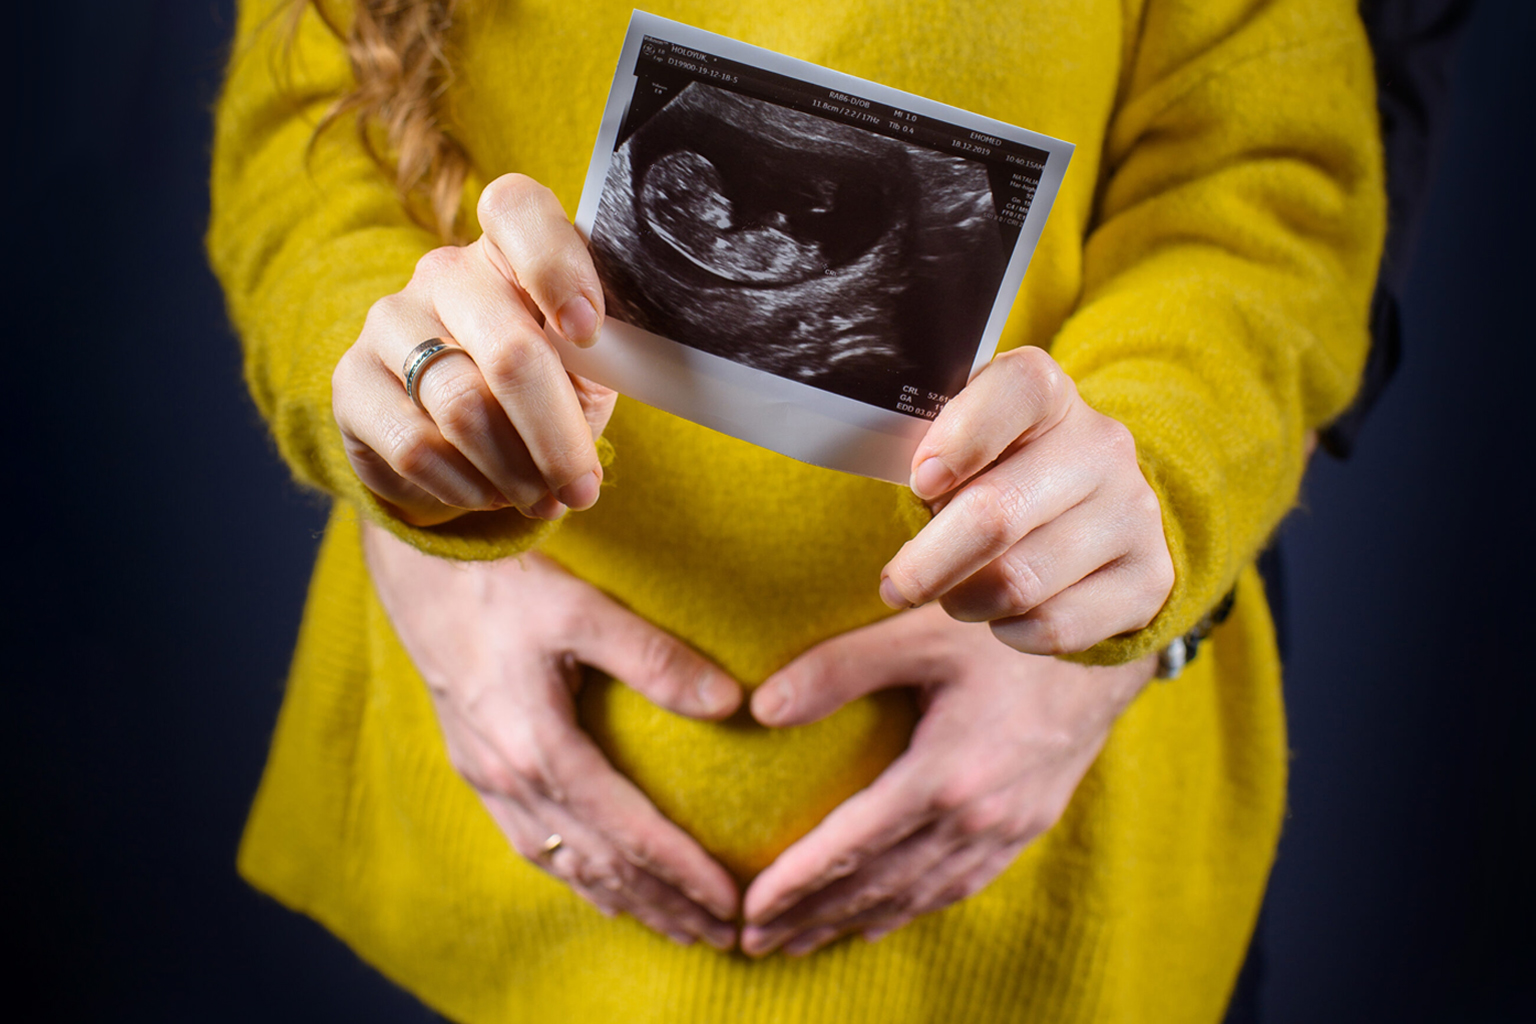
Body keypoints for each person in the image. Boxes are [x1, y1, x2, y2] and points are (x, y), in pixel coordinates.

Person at [207, 0, 1385, 1020]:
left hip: (1041, 892)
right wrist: (392, 388)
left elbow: (1266, 189)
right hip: (501, 854)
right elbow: (301, 133)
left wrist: (1151, 480)